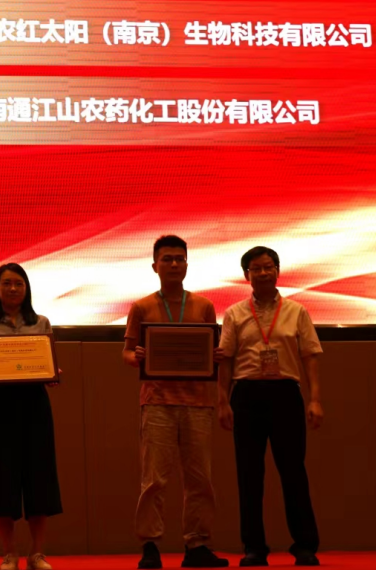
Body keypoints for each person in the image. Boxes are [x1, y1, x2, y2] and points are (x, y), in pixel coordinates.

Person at [123, 235, 228, 569]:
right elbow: (127, 352)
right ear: (154, 266)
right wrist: (137, 357)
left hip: (198, 402)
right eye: (166, 259)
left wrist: (214, 356)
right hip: (157, 401)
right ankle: (150, 546)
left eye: (179, 259)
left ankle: (197, 545)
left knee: (200, 479)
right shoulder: (141, 306)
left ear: (186, 264)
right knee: (154, 478)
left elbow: (213, 350)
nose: (173, 264)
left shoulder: (203, 306)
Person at [218, 246, 323, 568]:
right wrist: (222, 401)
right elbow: (225, 360)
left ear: (277, 271)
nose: (263, 273)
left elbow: (310, 357)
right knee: (249, 475)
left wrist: (315, 399)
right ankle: (254, 548)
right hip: (246, 395)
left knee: (293, 472)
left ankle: (305, 546)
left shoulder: (297, 311)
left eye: (268, 267)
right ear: (246, 275)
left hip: (285, 394)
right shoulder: (234, 313)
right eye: (256, 268)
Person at [0, 263, 62, 570]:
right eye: (6, 283)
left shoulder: (42, 323)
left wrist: (52, 373)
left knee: (39, 478)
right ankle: (9, 553)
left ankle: (37, 554)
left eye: (18, 284)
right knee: (2, 479)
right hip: (0, 405)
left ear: (27, 288)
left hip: (35, 405)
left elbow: (49, 363)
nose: (12, 289)